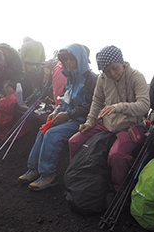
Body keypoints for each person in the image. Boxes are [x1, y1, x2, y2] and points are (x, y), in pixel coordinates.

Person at [68, 45, 150, 192]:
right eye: (106, 71)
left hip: (131, 125)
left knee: (116, 155)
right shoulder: (102, 78)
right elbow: (97, 101)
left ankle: (118, 189)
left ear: (122, 62)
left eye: (115, 68)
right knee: (74, 141)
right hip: (107, 122)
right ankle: (76, 178)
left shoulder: (136, 76)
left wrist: (119, 107)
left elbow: (144, 106)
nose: (111, 73)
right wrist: (89, 122)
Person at [18, 44, 97, 191]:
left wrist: (67, 114)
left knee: (52, 134)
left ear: (80, 59)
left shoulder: (91, 78)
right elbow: (64, 100)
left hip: (82, 120)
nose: (68, 62)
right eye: (65, 59)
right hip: (67, 116)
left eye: (71, 59)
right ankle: (34, 168)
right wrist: (57, 110)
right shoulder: (70, 78)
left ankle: (49, 175)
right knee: (43, 130)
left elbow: (91, 106)